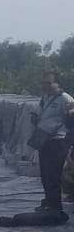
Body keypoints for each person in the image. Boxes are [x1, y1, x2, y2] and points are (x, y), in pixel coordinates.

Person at [30, 71, 73, 211]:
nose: (45, 85)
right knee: (45, 174)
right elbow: (39, 113)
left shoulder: (66, 99)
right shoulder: (45, 97)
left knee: (53, 174)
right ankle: (49, 202)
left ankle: (55, 207)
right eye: (43, 83)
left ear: (57, 84)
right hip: (45, 140)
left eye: (48, 83)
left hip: (58, 141)